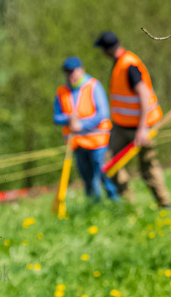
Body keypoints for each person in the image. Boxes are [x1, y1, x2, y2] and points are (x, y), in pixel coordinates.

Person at [95, 30, 171, 208]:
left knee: (148, 166)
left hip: (142, 127)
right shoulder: (118, 63)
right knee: (110, 161)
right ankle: (127, 203)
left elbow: (144, 95)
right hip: (121, 127)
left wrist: (143, 129)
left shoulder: (129, 65)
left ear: (106, 50)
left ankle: (164, 204)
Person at [53, 56, 119, 202]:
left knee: (104, 174)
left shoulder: (94, 86)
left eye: (73, 71)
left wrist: (81, 125)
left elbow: (103, 113)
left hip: (98, 142)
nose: (70, 75)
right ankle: (94, 207)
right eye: (67, 72)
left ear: (81, 70)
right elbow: (56, 117)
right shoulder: (61, 91)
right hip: (77, 143)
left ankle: (116, 203)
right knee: (87, 178)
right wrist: (68, 119)